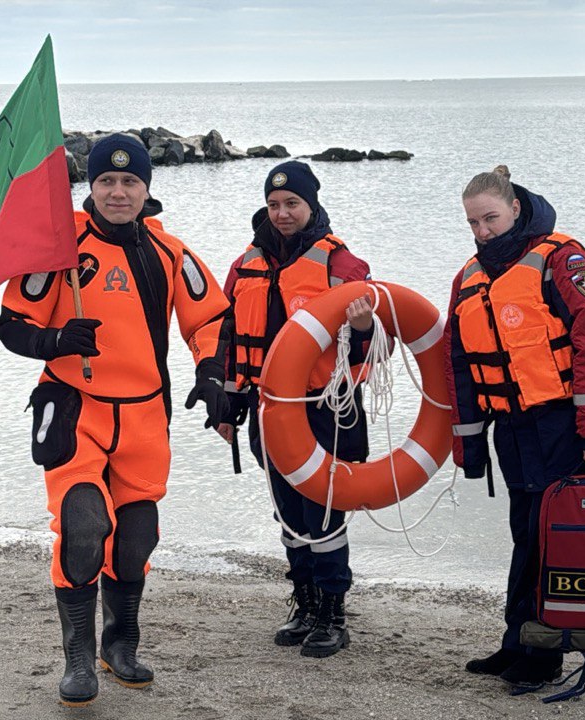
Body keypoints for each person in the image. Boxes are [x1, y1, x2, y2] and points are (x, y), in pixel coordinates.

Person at [0, 134, 231, 706]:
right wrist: (53, 339)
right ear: (89, 187)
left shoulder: (171, 252)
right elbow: (9, 324)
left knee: (135, 538)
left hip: (146, 415)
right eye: (106, 181)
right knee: (82, 527)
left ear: (147, 188)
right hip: (77, 408)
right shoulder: (59, 248)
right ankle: (77, 657)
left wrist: (212, 374)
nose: (118, 192)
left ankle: (118, 644)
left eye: (130, 182)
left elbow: (211, 320)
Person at [444, 165, 585, 688]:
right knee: (525, 534)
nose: (482, 232)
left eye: (490, 219)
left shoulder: (562, 260)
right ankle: (517, 642)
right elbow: (459, 365)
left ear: (516, 209)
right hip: (512, 429)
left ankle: (545, 656)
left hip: (563, 425)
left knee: (558, 541)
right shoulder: (469, 278)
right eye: (473, 223)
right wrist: (469, 443)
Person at [216, 161, 376, 659]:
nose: (282, 213)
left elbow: (376, 349)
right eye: (274, 204)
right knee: (289, 515)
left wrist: (366, 328)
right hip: (268, 410)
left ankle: (333, 611)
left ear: (311, 205)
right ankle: (304, 602)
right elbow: (226, 338)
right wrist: (227, 401)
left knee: (323, 514)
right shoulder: (245, 266)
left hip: (327, 410)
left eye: (292, 204)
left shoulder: (342, 267)